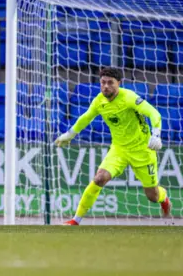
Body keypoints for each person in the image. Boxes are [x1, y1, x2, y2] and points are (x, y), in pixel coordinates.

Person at [56, 67, 171, 225]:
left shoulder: (129, 97)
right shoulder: (99, 100)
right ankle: (76, 220)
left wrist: (156, 134)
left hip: (143, 150)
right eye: (103, 82)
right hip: (119, 149)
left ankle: (164, 198)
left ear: (119, 83)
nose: (106, 86)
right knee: (99, 178)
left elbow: (154, 113)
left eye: (110, 83)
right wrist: (70, 134)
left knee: (152, 196)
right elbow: (86, 117)